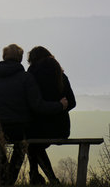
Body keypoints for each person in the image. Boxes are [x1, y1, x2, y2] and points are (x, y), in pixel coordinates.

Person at [0, 44, 68, 185]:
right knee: (24, 144)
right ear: (20, 58)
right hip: (19, 130)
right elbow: (38, 105)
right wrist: (60, 105)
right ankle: (10, 180)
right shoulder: (26, 78)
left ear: (4, 57)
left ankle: (3, 176)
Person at [26, 46, 76, 185]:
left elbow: (31, 104)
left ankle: (37, 176)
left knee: (32, 144)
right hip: (61, 129)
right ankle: (50, 180)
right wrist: (60, 108)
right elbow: (72, 102)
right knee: (35, 146)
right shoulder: (60, 74)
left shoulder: (31, 76)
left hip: (38, 129)